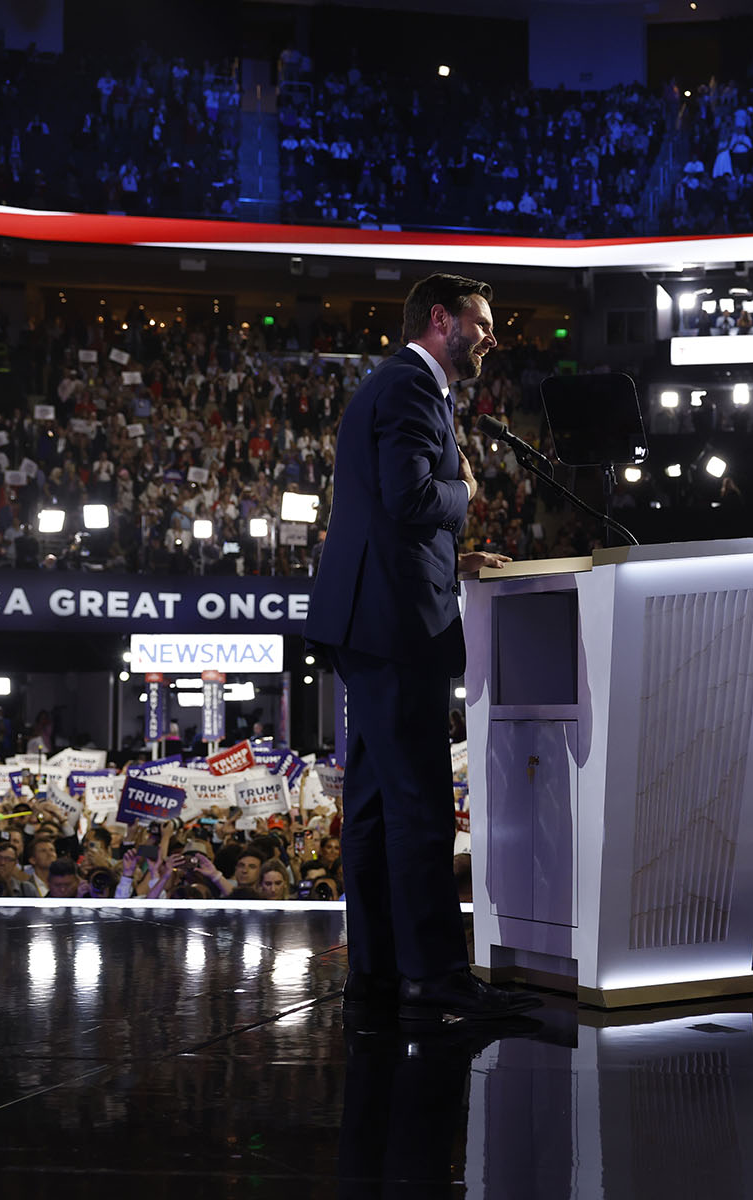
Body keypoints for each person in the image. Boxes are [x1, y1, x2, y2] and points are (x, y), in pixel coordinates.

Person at [305, 273, 538, 1027]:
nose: (491, 338)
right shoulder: (411, 387)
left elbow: (385, 510)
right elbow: (410, 497)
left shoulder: (398, 386)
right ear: (442, 319)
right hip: (394, 624)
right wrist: (465, 492)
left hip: (374, 618)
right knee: (423, 811)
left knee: (374, 810)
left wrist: (450, 556)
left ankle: (376, 974)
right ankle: (436, 977)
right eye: (483, 322)